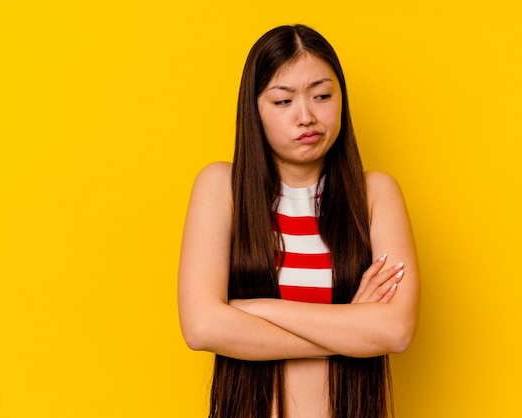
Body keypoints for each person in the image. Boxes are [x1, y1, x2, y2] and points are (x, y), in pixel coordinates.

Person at [178, 24, 420, 418]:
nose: (306, 116)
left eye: (322, 96)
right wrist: (353, 328)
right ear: (253, 108)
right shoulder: (222, 188)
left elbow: (395, 331)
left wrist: (255, 309)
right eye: (283, 101)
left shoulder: (375, 195)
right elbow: (202, 327)